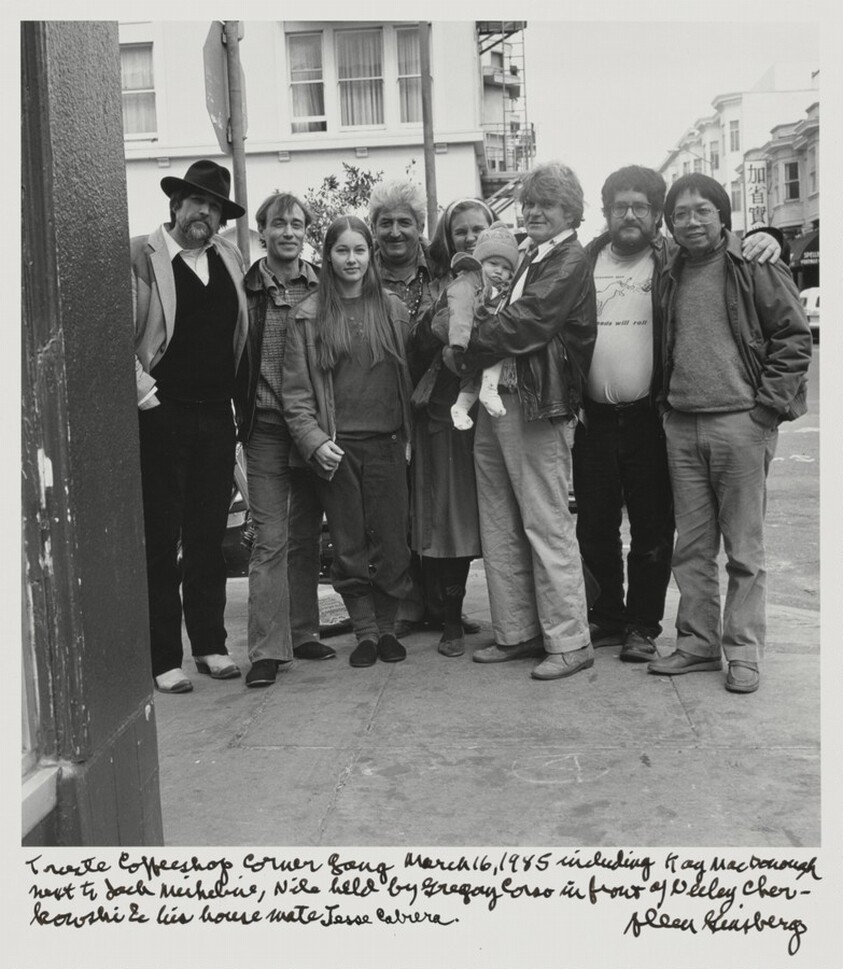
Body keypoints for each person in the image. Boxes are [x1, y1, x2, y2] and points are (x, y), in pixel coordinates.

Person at [575, 166, 782, 663]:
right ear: (606, 213)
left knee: (657, 531)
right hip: (600, 420)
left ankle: (647, 628)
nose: (630, 215)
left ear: (654, 216)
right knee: (599, 529)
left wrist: (767, 238)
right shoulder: (581, 263)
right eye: (620, 206)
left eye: (641, 207)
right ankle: (612, 619)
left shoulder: (672, 259)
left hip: (657, 418)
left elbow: (783, 330)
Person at [648, 173, 811, 693]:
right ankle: (696, 644)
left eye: (702, 210)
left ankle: (743, 652)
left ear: (723, 216)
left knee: (745, 550)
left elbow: (793, 338)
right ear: (669, 224)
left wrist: (766, 411)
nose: (691, 221)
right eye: (680, 214)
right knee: (691, 548)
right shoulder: (669, 271)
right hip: (682, 423)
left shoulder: (755, 263)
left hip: (742, 424)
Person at [448, 162, 597, 681]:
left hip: (536, 404)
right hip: (502, 401)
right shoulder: (534, 254)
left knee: (544, 521)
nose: (533, 212)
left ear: (569, 213)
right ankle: (517, 631)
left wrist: (466, 341)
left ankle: (570, 639)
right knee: (500, 520)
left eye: (546, 205)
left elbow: (529, 322)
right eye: (529, 203)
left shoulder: (569, 259)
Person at [131, 160, 247, 693]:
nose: (205, 213)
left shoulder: (228, 257)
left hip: (215, 414)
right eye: (196, 202)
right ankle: (163, 656)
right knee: (162, 537)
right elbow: (110, 332)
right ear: (175, 205)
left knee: (208, 536)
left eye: (215, 206)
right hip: (162, 414)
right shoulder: (140, 255)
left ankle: (211, 645)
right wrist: (145, 394)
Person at [282, 217, 413, 668]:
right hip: (338, 451)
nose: (352, 259)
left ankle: (389, 629)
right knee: (349, 544)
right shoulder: (310, 315)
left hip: (387, 444)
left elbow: (411, 379)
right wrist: (315, 442)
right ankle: (364, 632)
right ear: (328, 255)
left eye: (360, 250)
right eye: (343, 251)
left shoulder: (393, 310)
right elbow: (296, 395)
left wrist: (410, 437)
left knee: (393, 542)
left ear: (371, 255)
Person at [368, 180, 481, 638]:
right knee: (396, 508)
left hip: (436, 403)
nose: (395, 232)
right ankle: (408, 607)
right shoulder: (359, 271)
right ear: (373, 228)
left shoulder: (439, 271)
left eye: (405, 223)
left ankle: (443, 607)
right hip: (378, 401)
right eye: (386, 223)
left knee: (441, 503)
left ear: (420, 228)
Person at [235, 191, 331, 690]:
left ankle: (302, 630)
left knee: (306, 535)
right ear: (263, 232)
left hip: (312, 429)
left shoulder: (324, 285)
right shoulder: (245, 286)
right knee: (269, 539)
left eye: (297, 224)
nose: (288, 232)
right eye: (278, 224)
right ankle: (268, 650)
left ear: (306, 231)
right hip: (267, 428)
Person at [406, 197, 496, 657]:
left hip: (491, 411)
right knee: (447, 517)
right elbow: (420, 345)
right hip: (443, 411)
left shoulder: (506, 277)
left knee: (485, 517)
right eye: (460, 230)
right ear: (448, 236)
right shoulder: (437, 283)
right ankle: (449, 619)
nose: (470, 237)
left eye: (478, 228)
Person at [440, 221, 520, 430]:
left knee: (472, 381)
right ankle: (488, 392)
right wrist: (459, 341)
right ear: (480, 262)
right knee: (488, 362)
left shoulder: (504, 291)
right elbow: (460, 309)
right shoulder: (470, 283)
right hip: (468, 341)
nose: (499, 272)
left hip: (478, 345)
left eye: (506, 268)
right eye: (493, 264)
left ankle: (460, 408)